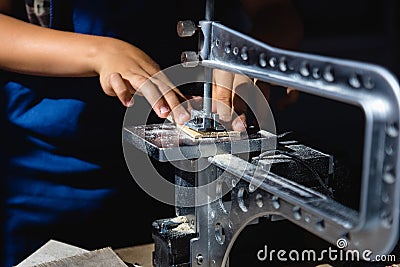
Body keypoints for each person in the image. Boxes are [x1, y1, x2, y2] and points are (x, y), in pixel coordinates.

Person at [0, 0, 303, 266]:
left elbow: (276, 11)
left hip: (177, 175)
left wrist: (253, 53)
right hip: (46, 178)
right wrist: (99, 53)